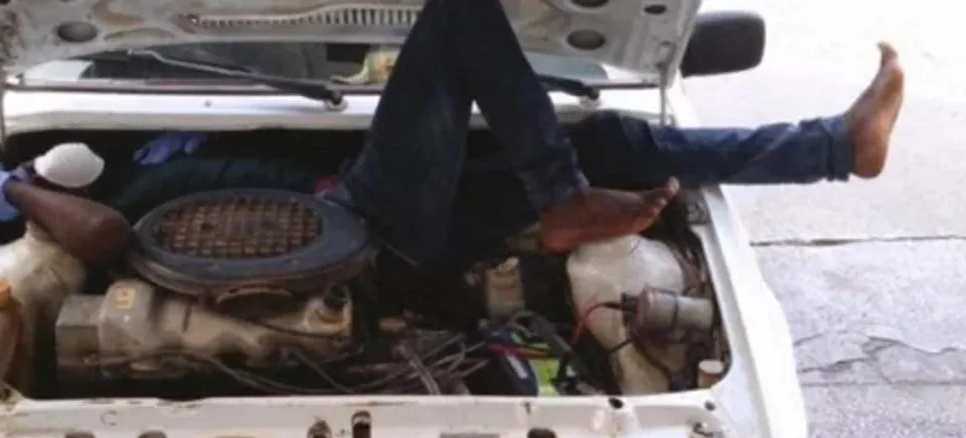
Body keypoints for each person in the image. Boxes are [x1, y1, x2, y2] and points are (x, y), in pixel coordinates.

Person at [323, 0, 905, 272]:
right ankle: (562, 199)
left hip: (427, 220)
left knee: (609, 140)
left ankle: (838, 147)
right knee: (459, 10)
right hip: (351, 216)